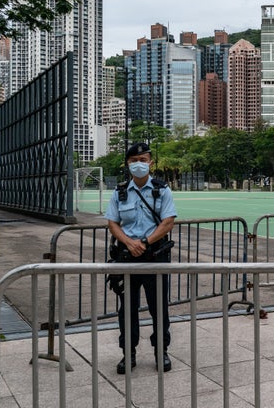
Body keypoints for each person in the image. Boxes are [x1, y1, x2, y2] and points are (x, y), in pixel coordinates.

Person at [105, 142, 178, 374]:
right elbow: (113, 223)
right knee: (127, 309)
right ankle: (129, 353)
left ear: (151, 163)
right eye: (134, 161)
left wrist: (145, 242)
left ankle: (161, 352)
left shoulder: (162, 190)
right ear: (127, 164)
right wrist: (129, 243)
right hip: (128, 258)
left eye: (143, 160)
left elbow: (168, 222)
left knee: (159, 308)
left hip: (155, 256)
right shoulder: (120, 192)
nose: (139, 164)